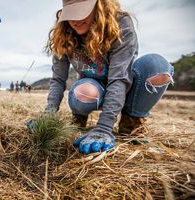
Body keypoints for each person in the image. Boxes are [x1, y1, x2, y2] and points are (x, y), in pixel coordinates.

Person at [40, 0, 174, 155]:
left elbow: (119, 79)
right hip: (93, 90)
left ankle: (131, 122)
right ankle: (79, 117)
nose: (76, 20)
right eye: (71, 14)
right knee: (84, 90)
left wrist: (104, 127)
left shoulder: (120, 23)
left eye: (82, 12)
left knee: (158, 66)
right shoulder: (64, 33)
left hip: (124, 86)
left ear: (98, 6)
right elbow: (58, 79)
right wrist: (48, 114)